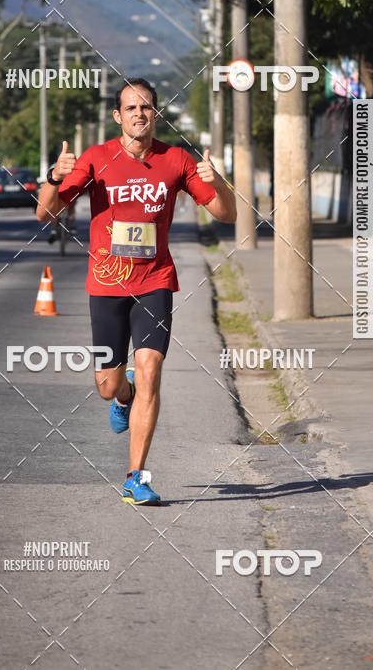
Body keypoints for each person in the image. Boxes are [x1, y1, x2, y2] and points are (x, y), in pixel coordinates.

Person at [36, 78, 237, 504]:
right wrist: (54, 177)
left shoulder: (176, 159)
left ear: (156, 114)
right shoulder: (96, 159)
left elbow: (227, 214)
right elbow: (45, 213)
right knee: (108, 386)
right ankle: (121, 394)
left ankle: (136, 476)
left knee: (151, 372)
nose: (139, 114)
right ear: (118, 116)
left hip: (154, 283)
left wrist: (217, 182)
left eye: (146, 107)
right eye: (131, 108)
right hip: (106, 285)